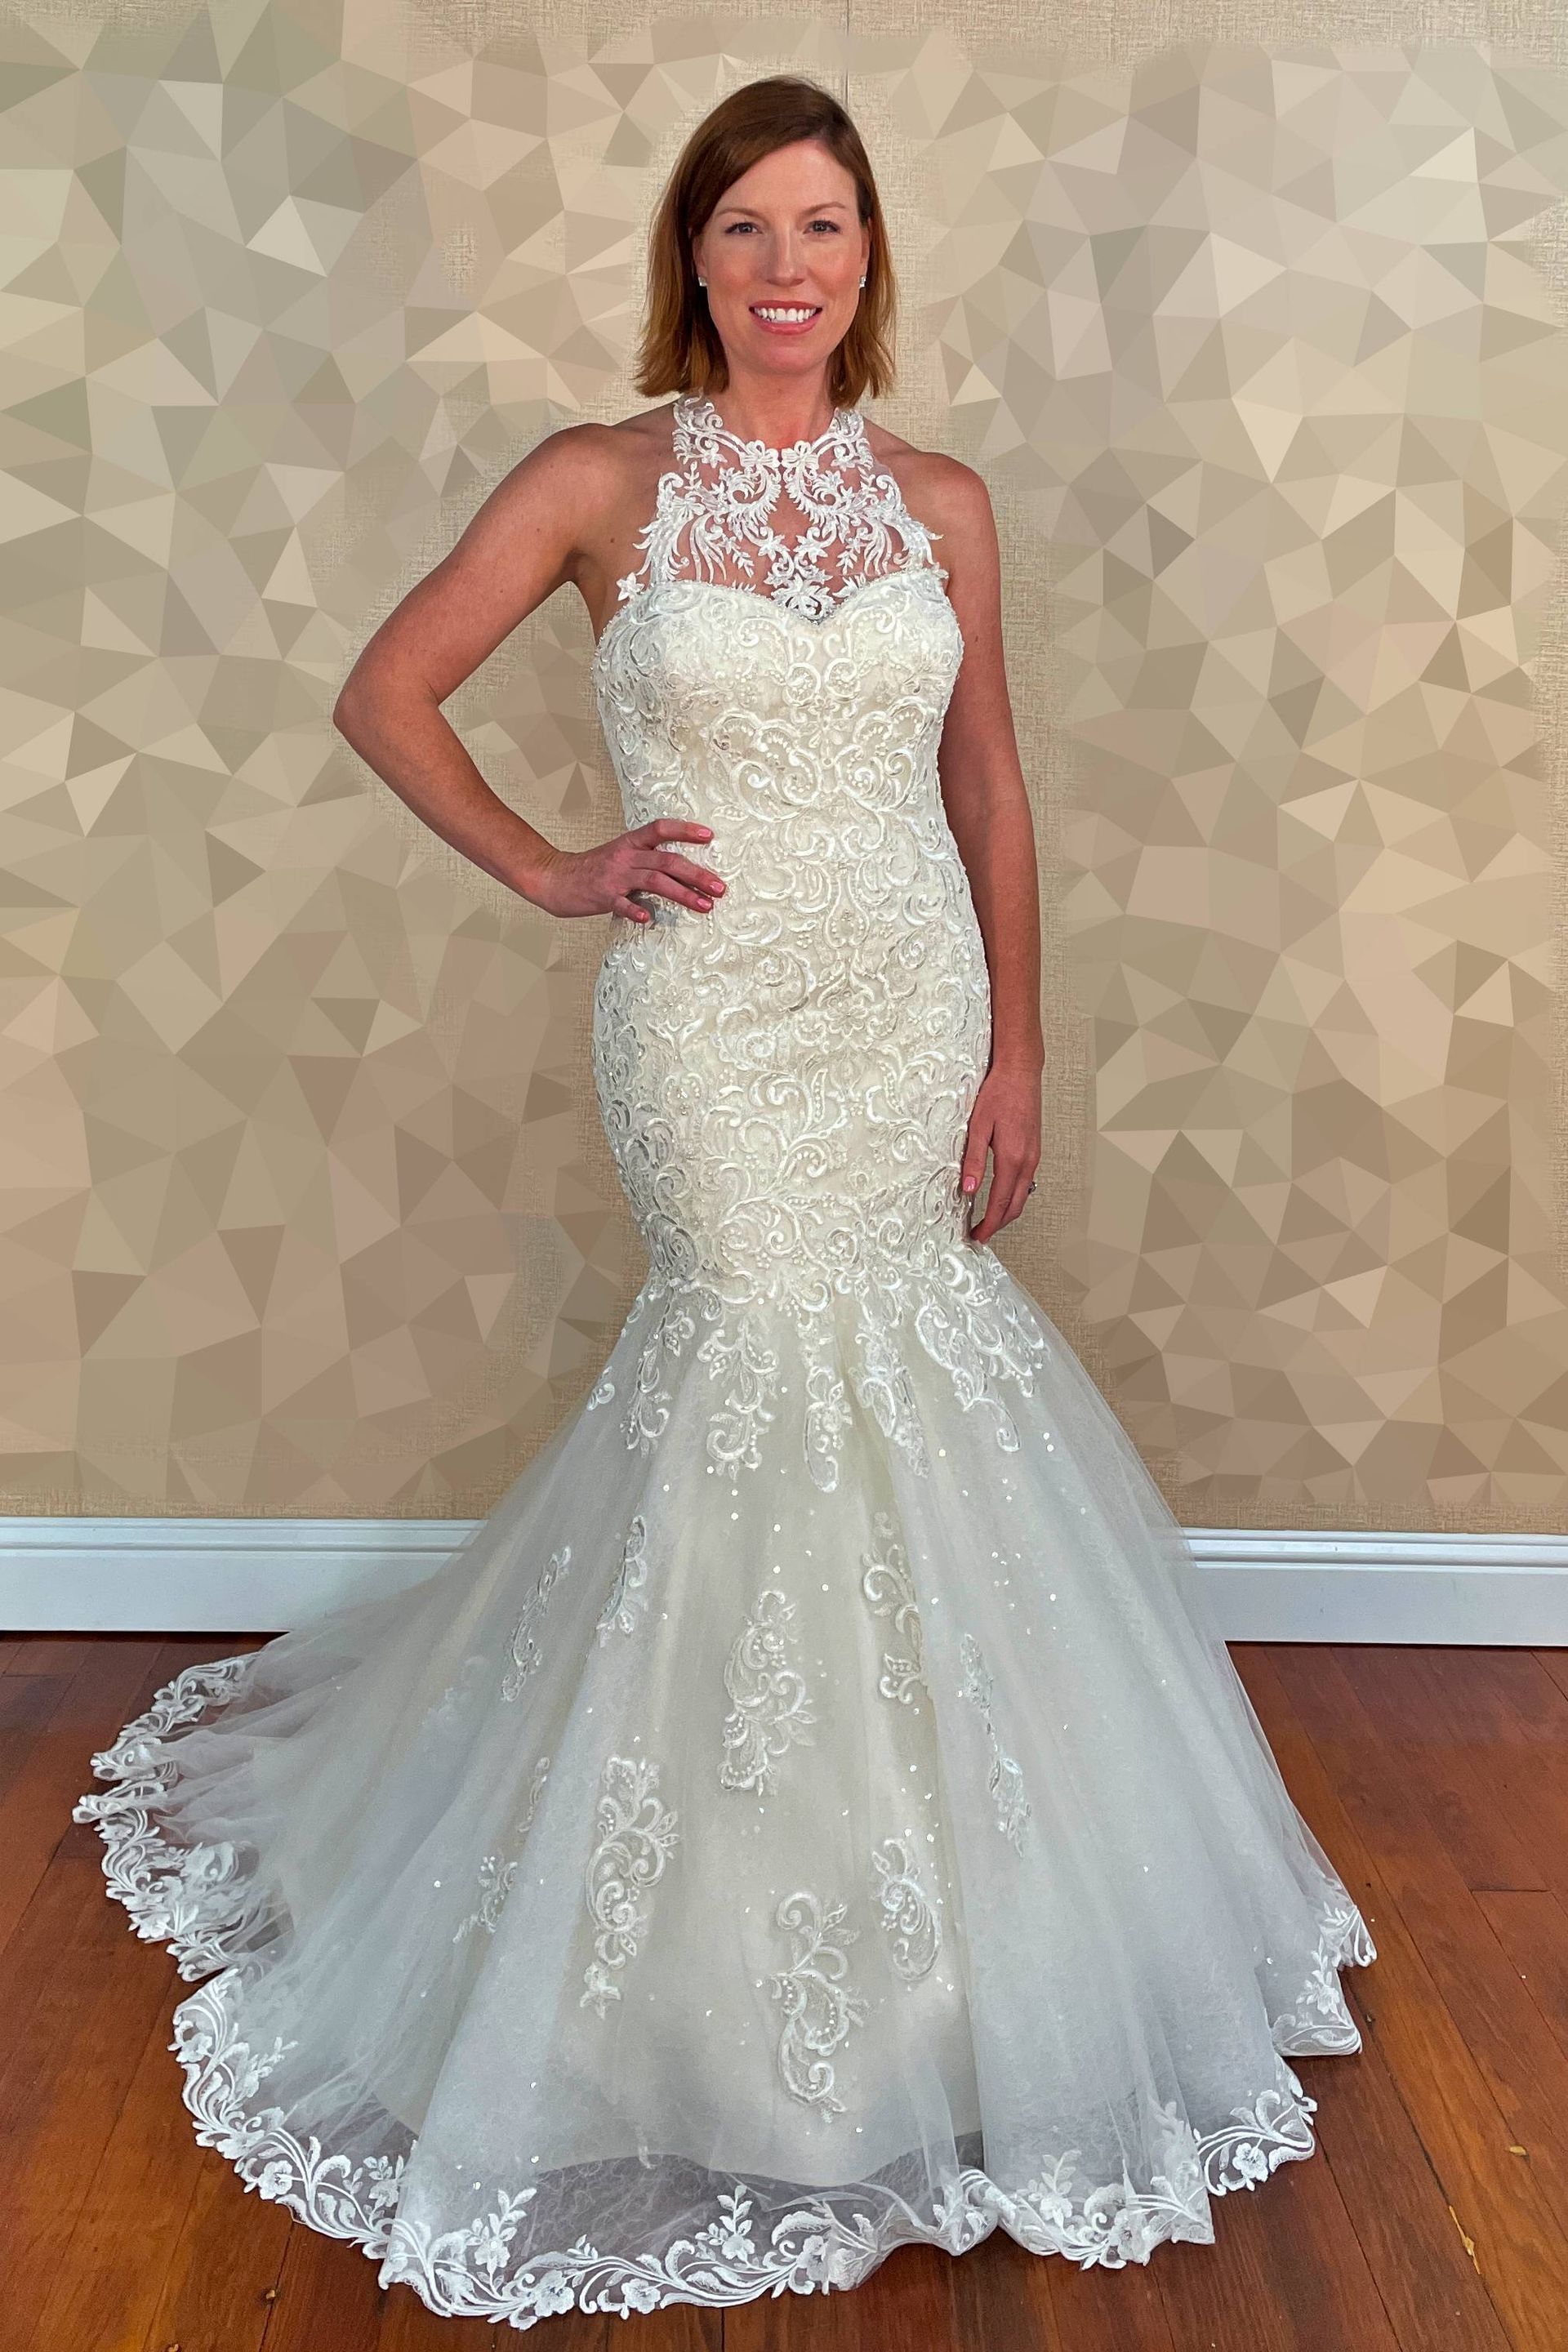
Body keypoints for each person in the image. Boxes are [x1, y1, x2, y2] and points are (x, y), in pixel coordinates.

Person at [75, 72, 1374, 2329]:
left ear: (872, 263)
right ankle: (688, 1994)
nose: (790, 266)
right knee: (757, 1381)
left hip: (907, 1006)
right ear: (693, 252)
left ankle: (965, 1980)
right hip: (708, 1023)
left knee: (913, 1397)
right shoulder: (598, 480)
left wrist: (1021, 1045)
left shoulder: (943, 503)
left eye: (827, 227)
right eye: (748, 225)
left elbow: (991, 784)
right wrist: (551, 867)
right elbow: (387, 690)